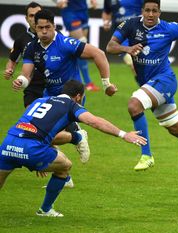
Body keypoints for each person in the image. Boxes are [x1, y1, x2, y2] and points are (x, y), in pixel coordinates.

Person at [0, 80, 146, 217]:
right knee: (65, 166)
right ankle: (45, 210)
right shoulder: (71, 106)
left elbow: (35, 127)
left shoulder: (40, 100)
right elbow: (94, 121)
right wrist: (123, 134)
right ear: (78, 96)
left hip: (8, 142)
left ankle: (77, 138)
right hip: (33, 149)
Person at [12, 9, 117, 164]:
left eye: (48, 27)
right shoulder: (32, 48)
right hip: (49, 95)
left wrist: (106, 84)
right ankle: (70, 153)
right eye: (40, 28)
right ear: (35, 27)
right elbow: (26, 74)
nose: (44, 31)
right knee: (41, 133)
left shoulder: (66, 43)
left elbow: (99, 54)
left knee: (44, 133)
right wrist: (21, 80)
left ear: (54, 26)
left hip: (71, 97)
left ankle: (74, 143)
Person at [106, 0, 178, 172]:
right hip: (150, 84)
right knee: (175, 128)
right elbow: (110, 46)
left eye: (154, 11)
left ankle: (146, 155)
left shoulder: (168, 28)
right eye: (147, 10)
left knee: (134, 105)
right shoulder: (130, 24)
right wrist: (126, 49)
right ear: (142, 10)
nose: (150, 14)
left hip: (165, 80)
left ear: (159, 12)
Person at [3, 2, 45, 108]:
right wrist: (9, 70)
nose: (35, 18)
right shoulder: (21, 40)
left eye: (38, 14)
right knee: (31, 120)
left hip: (54, 85)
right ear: (26, 19)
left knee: (57, 122)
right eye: (31, 15)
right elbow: (12, 61)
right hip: (32, 87)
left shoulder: (55, 35)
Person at [57, 0, 100, 91]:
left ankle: (73, 79)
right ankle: (87, 82)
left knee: (79, 47)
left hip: (83, 10)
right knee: (81, 44)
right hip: (70, 12)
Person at [102, 0, 143, 77]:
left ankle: (146, 86)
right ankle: (145, 87)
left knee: (142, 65)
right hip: (121, 36)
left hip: (137, 34)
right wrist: (106, 22)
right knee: (132, 62)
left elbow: (146, 9)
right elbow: (106, 12)